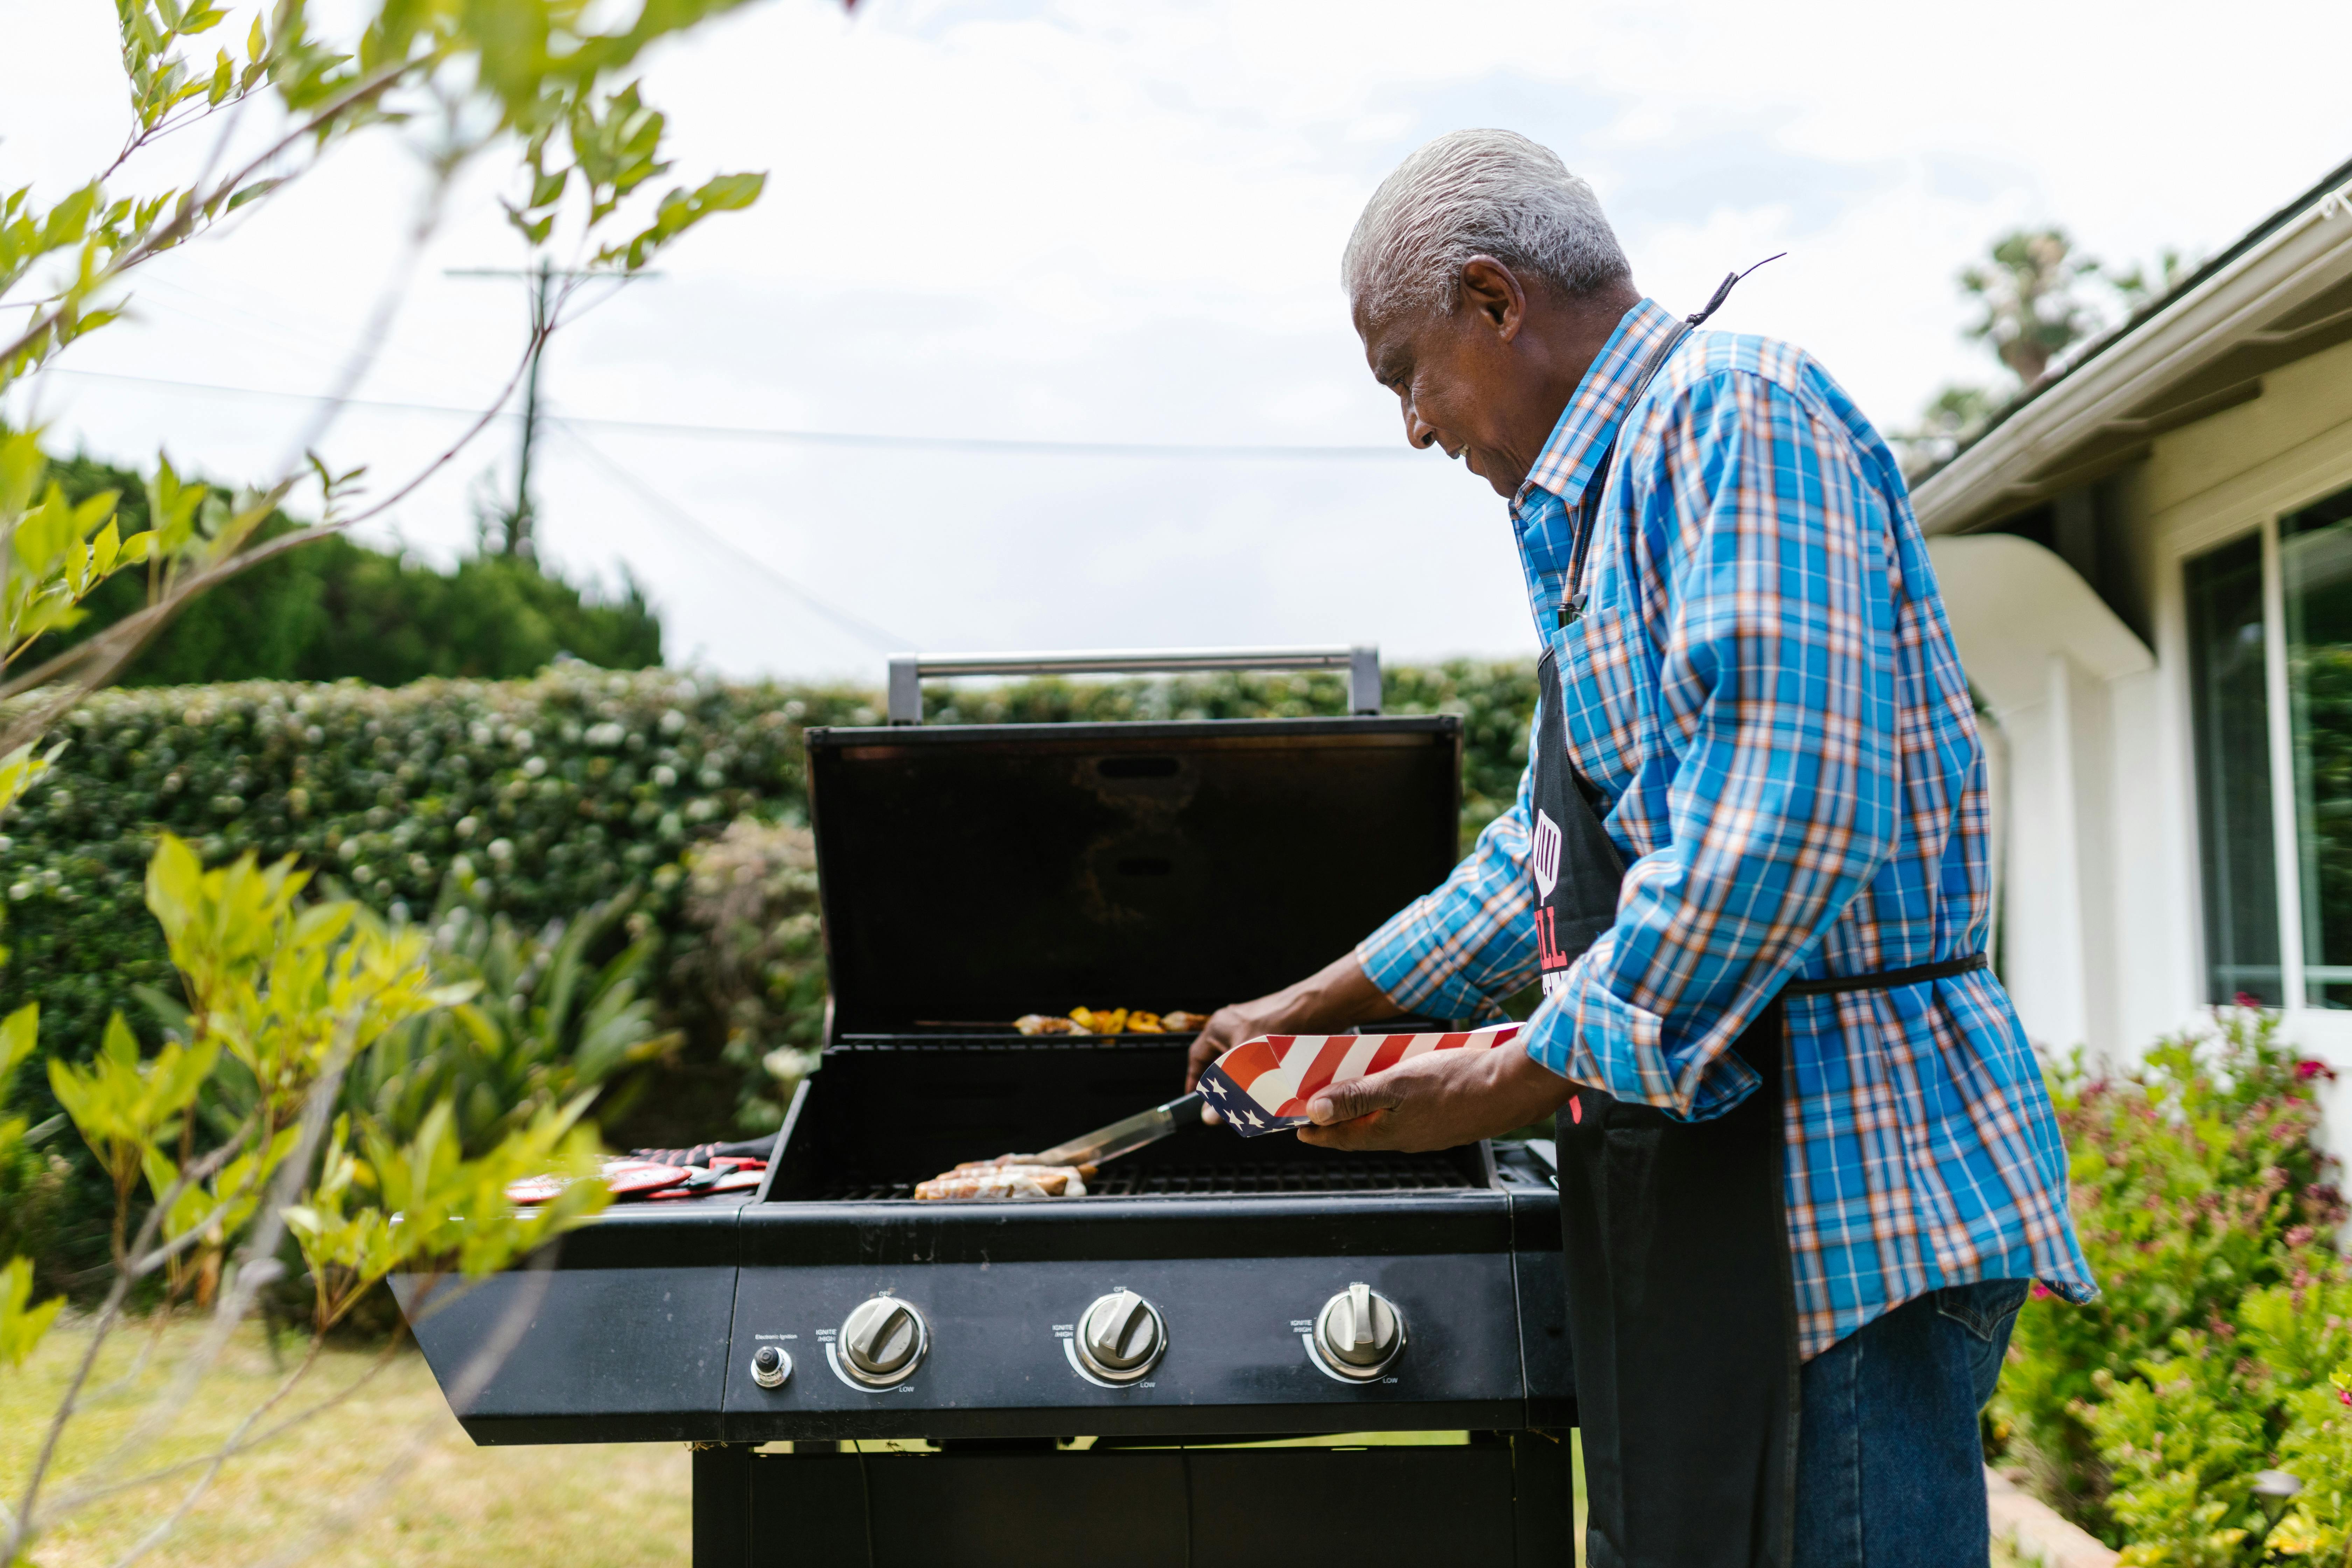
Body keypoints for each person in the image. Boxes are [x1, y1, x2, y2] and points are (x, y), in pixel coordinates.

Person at [1183, 130, 2094, 1568]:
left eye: (1404, 371)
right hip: (1727, 1178)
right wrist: (1324, 1002)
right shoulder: (1605, 504)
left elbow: (1784, 810)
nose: (1413, 424)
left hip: (1835, 1183)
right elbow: (1548, 856)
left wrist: (1513, 1073)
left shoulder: (1736, 415)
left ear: (1492, 301)